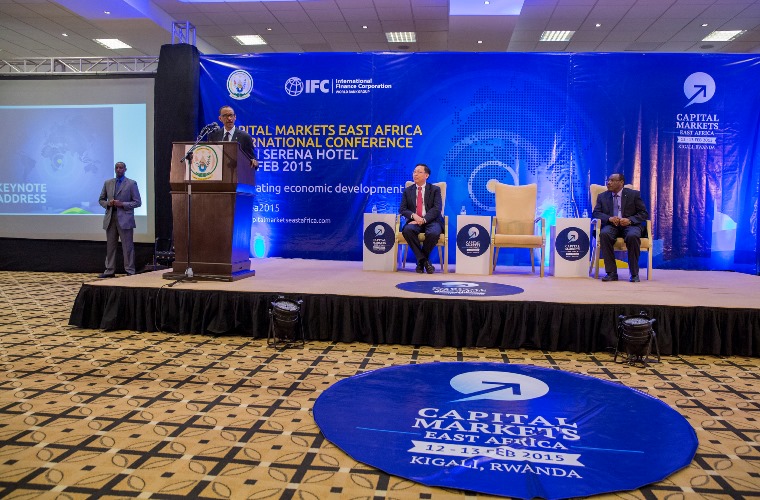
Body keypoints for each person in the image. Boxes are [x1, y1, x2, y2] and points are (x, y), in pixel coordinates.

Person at [592, 173, 649, 282]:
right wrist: (609, 218)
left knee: (632, 236)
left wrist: (630, 220)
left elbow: (643, 213)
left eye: (612, 180)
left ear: (621, 182)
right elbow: (596, 213)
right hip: (611, 226)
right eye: (608, 180)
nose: (609, 183)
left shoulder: (633, 195)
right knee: (604, 234)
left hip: (630, 225)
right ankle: (611, 273)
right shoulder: (602, 196)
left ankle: (634, 274)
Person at [98, 161, 142, 278]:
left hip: (125, 219)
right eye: (117, 168)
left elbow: (138, 202)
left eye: (121, 168)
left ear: (125, 169)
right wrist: (108, 203)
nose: (118, 169)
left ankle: (130, 270)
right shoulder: (108, 183)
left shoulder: (131, 183)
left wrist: (122, 204)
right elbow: (101, 199)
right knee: (110, 247)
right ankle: (109, 270)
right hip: (110, 218)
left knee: (127, 247)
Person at [399, 164, 444, 274]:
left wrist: (423, 220)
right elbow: (402, 209)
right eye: (414, 172)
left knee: (434, 233)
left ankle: (420, 262)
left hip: (431, 221)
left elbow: (437, 209)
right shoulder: (407, 191)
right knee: (407, 230)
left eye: (419, 172)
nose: (415, 174)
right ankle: (425, 261)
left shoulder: (435, 190)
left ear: (426, 175)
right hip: (414, 220)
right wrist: (414, 216)